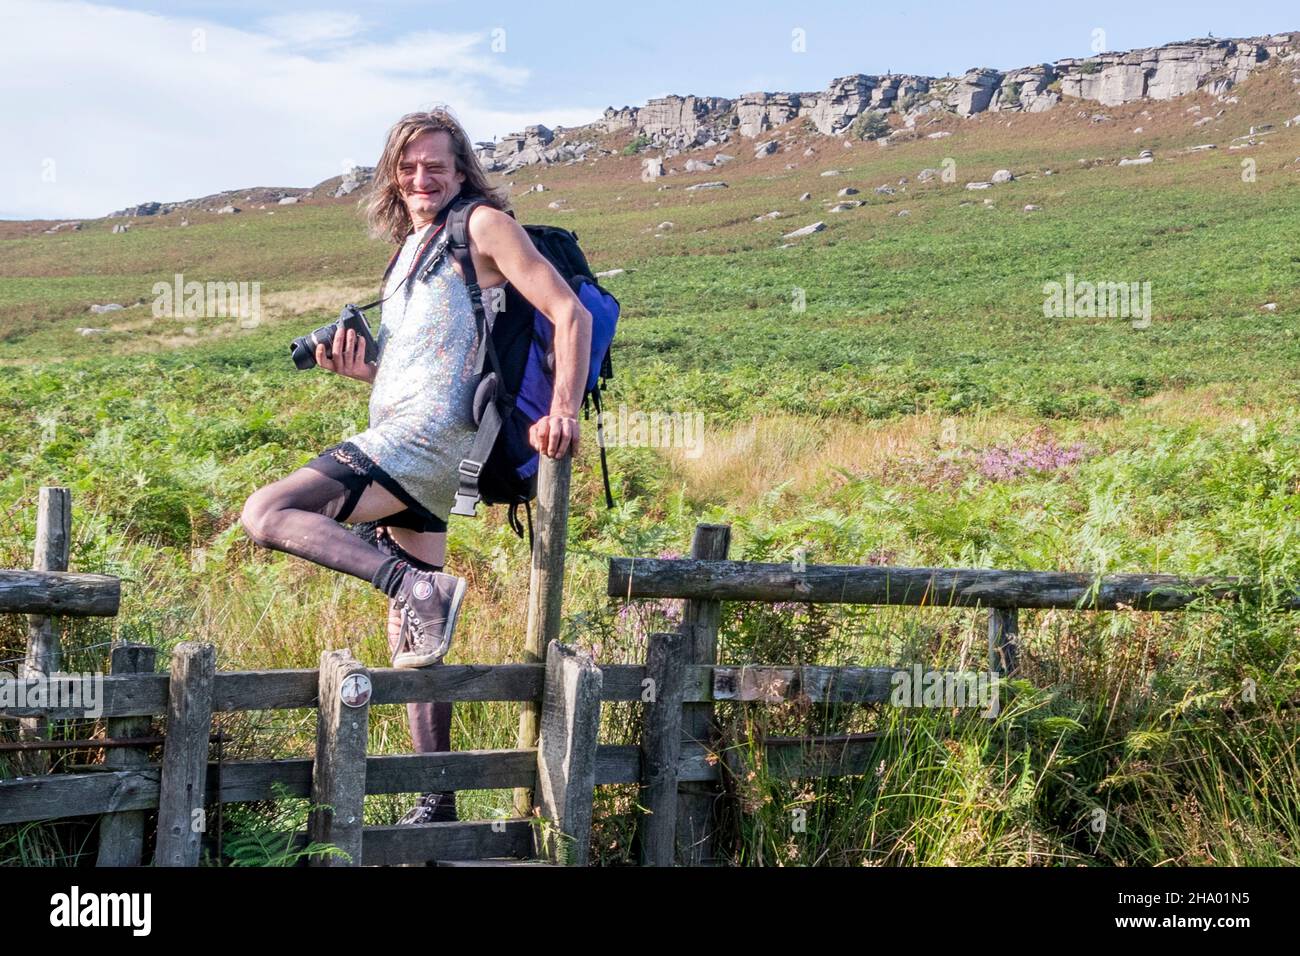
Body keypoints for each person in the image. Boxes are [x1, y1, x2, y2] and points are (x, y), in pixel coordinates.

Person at [240, 107, 592, 823]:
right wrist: (363, 373)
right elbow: (429, 365)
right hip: (409, 431)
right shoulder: (408, 252)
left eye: (436, 165)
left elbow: (568, 313)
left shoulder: (485, 225)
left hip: (427, 442)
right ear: (392, 177)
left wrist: (564, 409)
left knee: (267, 513)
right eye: (408, 167)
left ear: (461, 170)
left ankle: (410, 584)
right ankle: (437, 802)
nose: (421, 178)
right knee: (414, 647)